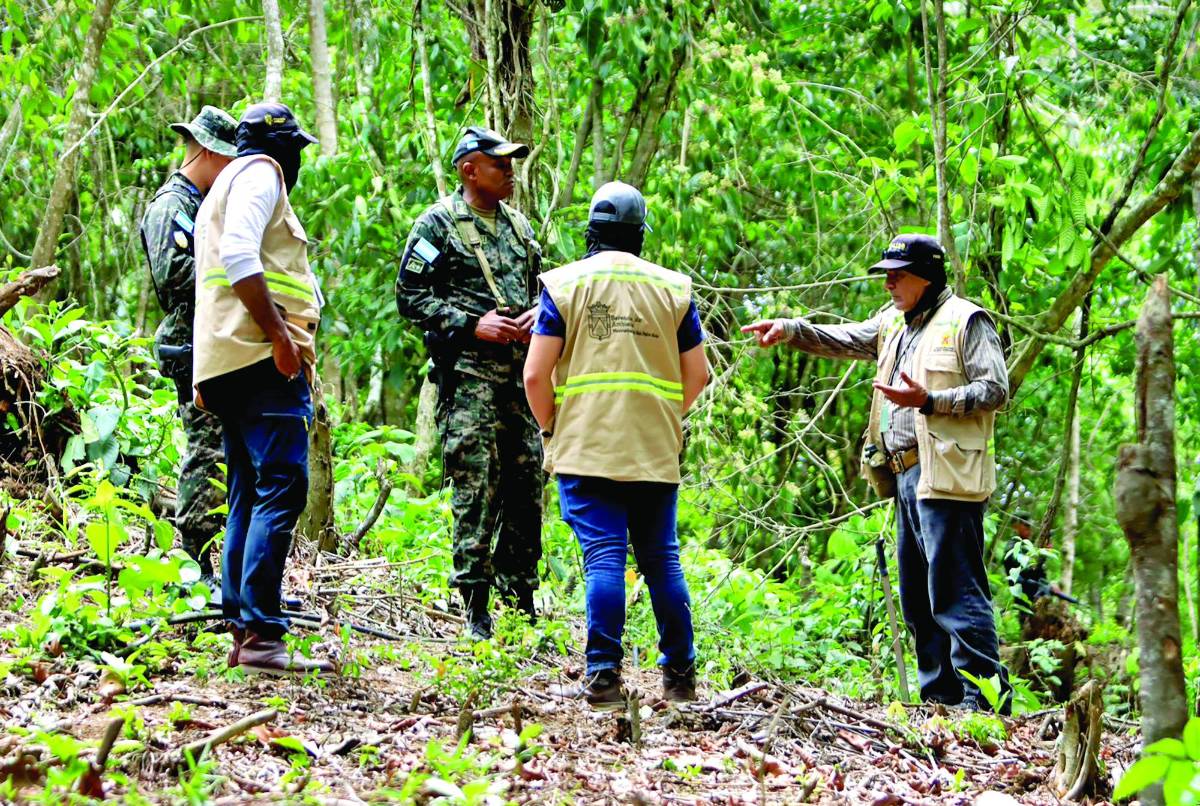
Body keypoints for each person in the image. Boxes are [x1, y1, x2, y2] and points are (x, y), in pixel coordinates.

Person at [742, 233, 1013, 713]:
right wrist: (790, 329)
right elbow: (845, 338)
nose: (888, 283)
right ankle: (941, 700)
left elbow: (995, 389)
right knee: (918, 597)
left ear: (926, 277)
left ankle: (984, 702)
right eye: (887, 275)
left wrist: (932, 401)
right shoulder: (893, 322)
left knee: (955, 590)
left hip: (948, 474)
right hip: (905, 473)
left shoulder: (966, 320)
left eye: (897, 275)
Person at [524, 182, 709, 708]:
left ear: (592, 230)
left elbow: (535, 375)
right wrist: (662, 418)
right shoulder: (673, 289)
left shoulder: (565, 285)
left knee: (604, 557)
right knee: (662, 561)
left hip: (586, 447)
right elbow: (697, 374)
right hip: (653, 448)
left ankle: (603, 676)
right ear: (639, 234)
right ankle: (680, 678)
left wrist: (552, 426)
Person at [191, 102, 332, 676]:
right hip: (259, 358)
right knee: (281, 487)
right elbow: (238, 256)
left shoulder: (221, 186)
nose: (295, 164)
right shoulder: (259, 174)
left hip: (228, 360)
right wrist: (280, 337)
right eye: (294, 151)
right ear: (280, 150)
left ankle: (243, 626)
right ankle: (263, 634)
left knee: (248, 492)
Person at [396, 126, 545, 640]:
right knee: (475, 488)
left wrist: (538, 315)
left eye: (510, 164)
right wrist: (470, 324)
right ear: (469, 170)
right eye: (499, 164)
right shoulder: (438, 225)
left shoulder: (520, 229)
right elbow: (410, 295)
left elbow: (541, 289)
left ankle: (519, 599)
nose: (509, 172)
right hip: (468, 381)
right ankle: (475, 606)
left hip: (520, 382)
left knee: (527, 489)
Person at [138, 106, 237, 588]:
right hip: (191, 346)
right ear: (210, 153)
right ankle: (197, 563)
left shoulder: (199, 204)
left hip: (212, 340)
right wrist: (234, 269)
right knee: (206, 450)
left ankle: (217, 565)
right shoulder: (172, 206)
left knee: (222, 451)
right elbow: (172, 276)